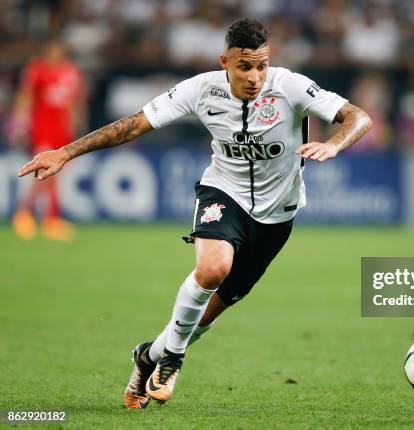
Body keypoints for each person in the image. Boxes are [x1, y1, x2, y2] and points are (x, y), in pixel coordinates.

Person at [17, 18, 372, 408]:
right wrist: (65, 152)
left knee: (206, 315)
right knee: (212, 269)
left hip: (277, 216)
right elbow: (135, 124)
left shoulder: (290, 86)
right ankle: (173, 358)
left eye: (262, 65)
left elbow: (358, 116)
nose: (255, 76)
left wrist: (336, 144)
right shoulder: (201, 90)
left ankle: (149, 355)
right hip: (223, 192)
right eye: (245, 66)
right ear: (225, 62)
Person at [11, 39, 85, 241]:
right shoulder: (36, 70)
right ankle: (28, 214)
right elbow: (25, 97)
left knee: (55, 174)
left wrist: (76, 125)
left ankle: (46, 218)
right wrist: (18, 123)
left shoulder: (72, 72)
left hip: (62, 130)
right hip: (42, 127)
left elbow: (76, 102)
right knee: (46, 173)